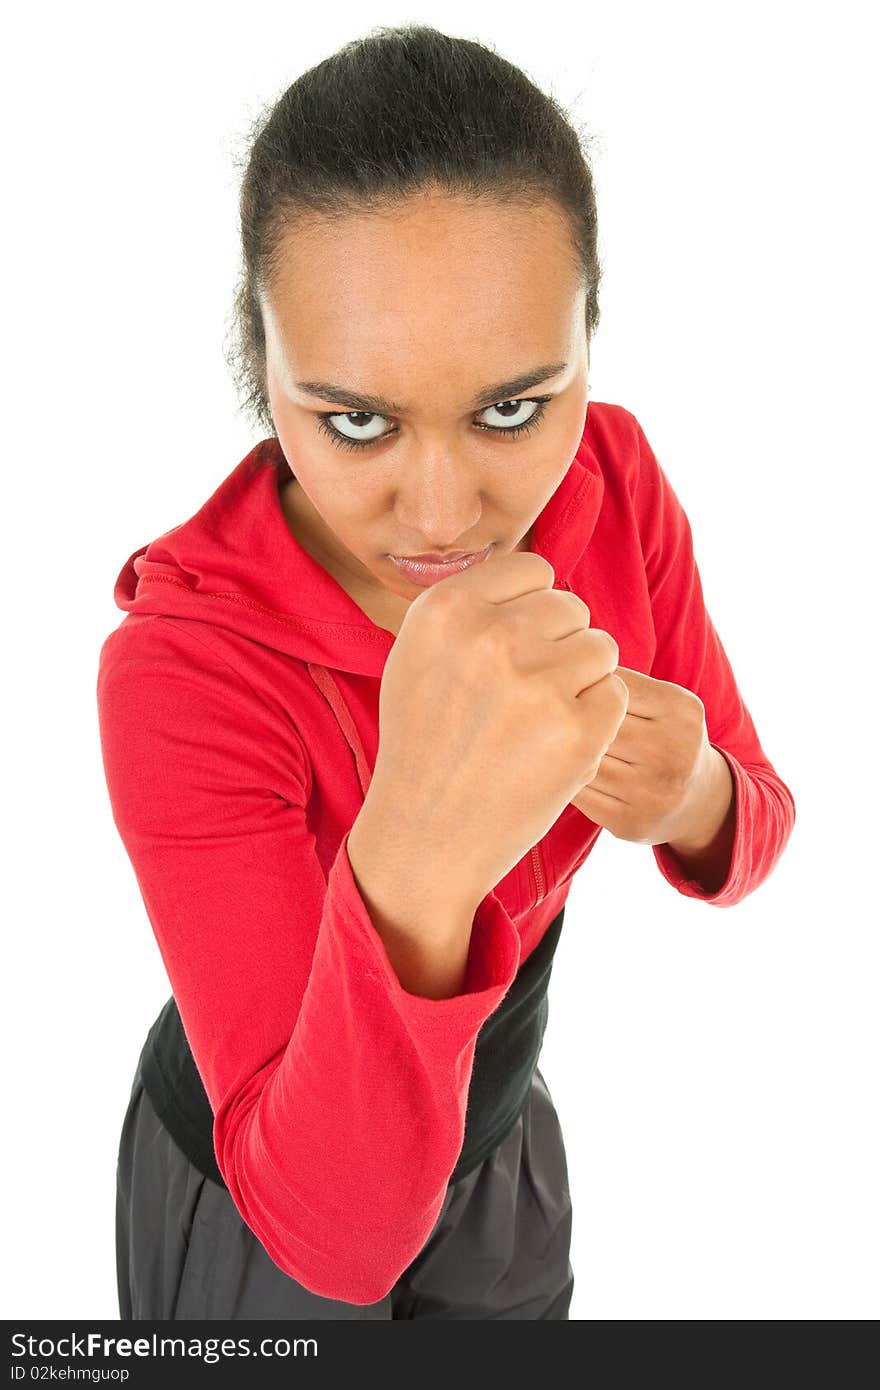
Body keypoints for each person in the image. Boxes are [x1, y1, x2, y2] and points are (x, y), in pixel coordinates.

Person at [96, 23, 796, 1321]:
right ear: (265, 364)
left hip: (500, 1139)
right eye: (355, 421)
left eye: (515, 407)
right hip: (260, 1190)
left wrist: (691, 793)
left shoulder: (617, 485)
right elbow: (329, 1242)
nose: (441, 510)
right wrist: (414, 843)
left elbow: (757, 815)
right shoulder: (184, 665)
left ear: (590, 340)